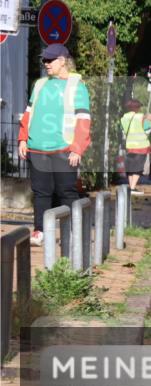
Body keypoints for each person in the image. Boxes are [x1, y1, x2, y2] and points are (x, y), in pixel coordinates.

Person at [17, 44, 91, 246]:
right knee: (41, 193)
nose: (45, 64)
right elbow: (28, 113)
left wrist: (77, 147)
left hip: (64, 149)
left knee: (66, 193)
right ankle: (39, 231)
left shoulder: (77, 85)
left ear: (62, 61)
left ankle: (73, 233)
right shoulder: (40, 84)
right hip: (37, 147)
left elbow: (83, 119)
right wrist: (23, 139)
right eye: (44, 60)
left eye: (49, 60)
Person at [120, 98, 151, 195]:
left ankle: (131, 187)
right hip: (141, 147)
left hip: (129, 146)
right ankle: (133, 188)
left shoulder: (123, 118)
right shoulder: (141, 117)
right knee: (138, 168)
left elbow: (123, 132)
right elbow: (147, 131)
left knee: (130, 168)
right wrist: (149, 120)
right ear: (137, 108)